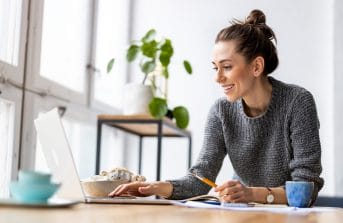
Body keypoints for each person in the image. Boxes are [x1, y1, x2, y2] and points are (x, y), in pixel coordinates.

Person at [109, 9, 324, 205]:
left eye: (227, 67)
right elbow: (201, 179)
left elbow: (306, 189)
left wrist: (250, 193)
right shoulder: (221, 111)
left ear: (257, 66)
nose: (218, 78)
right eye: (215, 68)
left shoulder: (298, 102)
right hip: (243, 211)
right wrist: (156, 187)